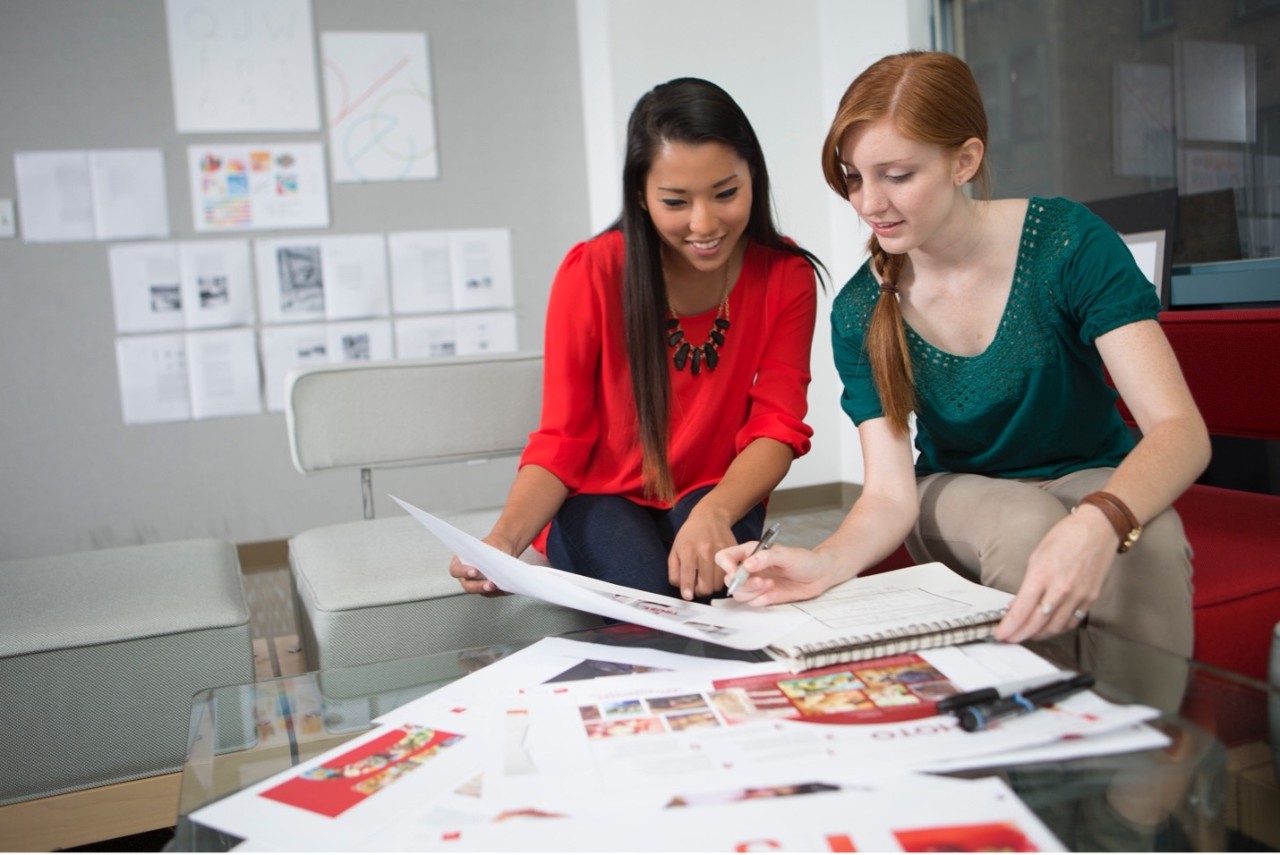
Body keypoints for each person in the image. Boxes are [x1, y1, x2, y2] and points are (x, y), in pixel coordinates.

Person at [715, 51, 1209, 657]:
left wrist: (1101, 517)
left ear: (965, 160)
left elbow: (1179, 430)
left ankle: (1143, 743)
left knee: (1148, 538)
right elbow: (890, 494)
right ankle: (1033, 735)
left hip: (1088, 469)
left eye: (896, 175)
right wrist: (821, 563)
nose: (869, 204)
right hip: (951, 491)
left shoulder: (1066, 243)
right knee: (1024, 524)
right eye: (853, 177)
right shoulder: (860, 310)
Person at [449, 77, 824, 601]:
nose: (704, 222)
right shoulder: (593, 272)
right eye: (676, 201)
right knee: (651, 598)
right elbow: (563, 439)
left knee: (717, 597)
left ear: (752, 176)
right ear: (642, 197)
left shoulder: (786, 275)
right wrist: (501, 543)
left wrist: (716, 510)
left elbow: (777, 425)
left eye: (726, 193)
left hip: (714, 491)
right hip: (596, 497)